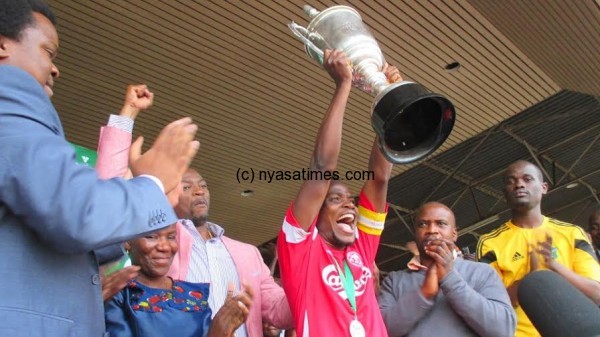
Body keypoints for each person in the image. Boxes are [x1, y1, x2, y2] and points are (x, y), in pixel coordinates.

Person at [0, 1, 199, 335]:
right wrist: (151, 182)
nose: (54, 68)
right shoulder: (9, 93)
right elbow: (77, 210)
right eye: (49, 51)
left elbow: (58, 219)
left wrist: (146, 202)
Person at [276, 49, 396, 337]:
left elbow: (379, 178)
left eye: (352, 201)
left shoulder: (361, 249)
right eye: (335, 199)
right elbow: (321, 168)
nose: (351, 207)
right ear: (314, 216)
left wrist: (389, 102)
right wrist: (343, 85)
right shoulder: (300, 251)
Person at [477, 160, 600, 337]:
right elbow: (490, 306)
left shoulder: (572, 233)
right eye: (511, 181)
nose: (519, 184)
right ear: (505, 193)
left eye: (527, 179)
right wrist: (530, 278)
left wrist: (555, 267)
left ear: (544, 187)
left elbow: (596, 294)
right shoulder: (490, 243)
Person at [167, 168, 294, 337]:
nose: (199, 191)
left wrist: (313, 288)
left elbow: (279, 309)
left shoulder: (248, 253)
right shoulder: (164, 249)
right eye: (186, 187)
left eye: (203, 186)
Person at [378, 202, 516, 337]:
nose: (432, 230)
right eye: (423, 224)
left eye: (441, 223)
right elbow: (379, 329)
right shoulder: (394, 280)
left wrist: (449, 278)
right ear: (415, 233)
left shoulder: (483, 272)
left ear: (454, 233)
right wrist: (424, 293)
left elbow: (503, 330)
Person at [105, 224, 253, 337]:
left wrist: (227, 328)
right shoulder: (117, 296)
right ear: (128, 242)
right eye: (151, 237)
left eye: (171, 237)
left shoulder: (195, 295)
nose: (164, 247)